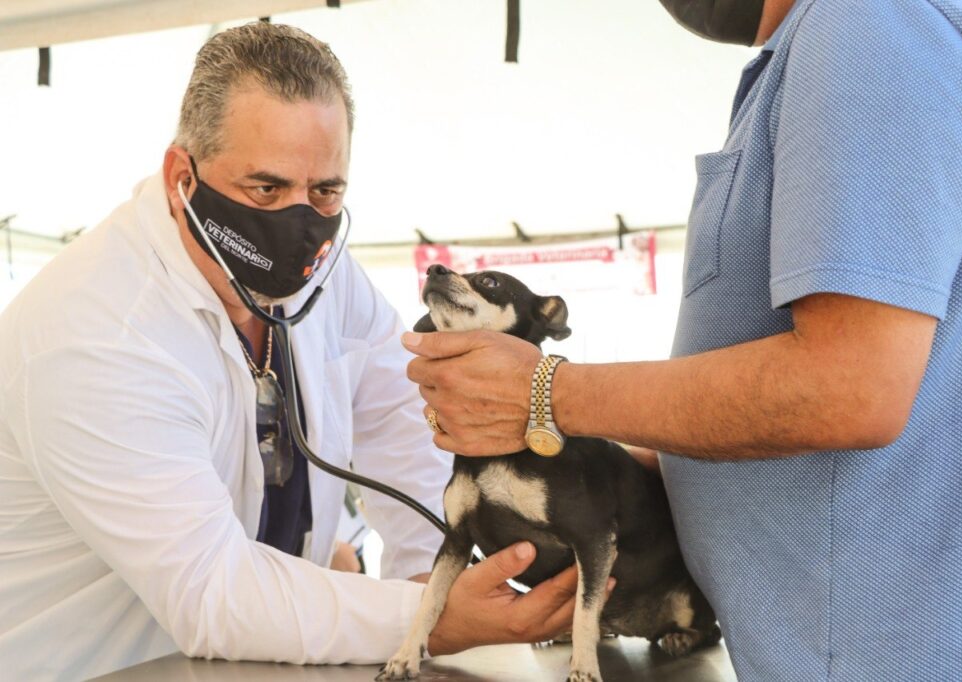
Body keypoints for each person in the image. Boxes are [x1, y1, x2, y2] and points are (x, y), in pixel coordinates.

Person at [402, 0, 962, 679]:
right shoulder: (839, 39)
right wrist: (648, 463)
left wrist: (547, 392)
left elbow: (849, 387)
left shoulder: (872, 23)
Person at [0, 23, 579, 681]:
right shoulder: (94, 332)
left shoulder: (325, 277)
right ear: (181, 177)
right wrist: (431, 615)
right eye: (265, 190)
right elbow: (213, 593)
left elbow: (403, 410)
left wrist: (430, 565)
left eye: (326, 191)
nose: (299, 224)